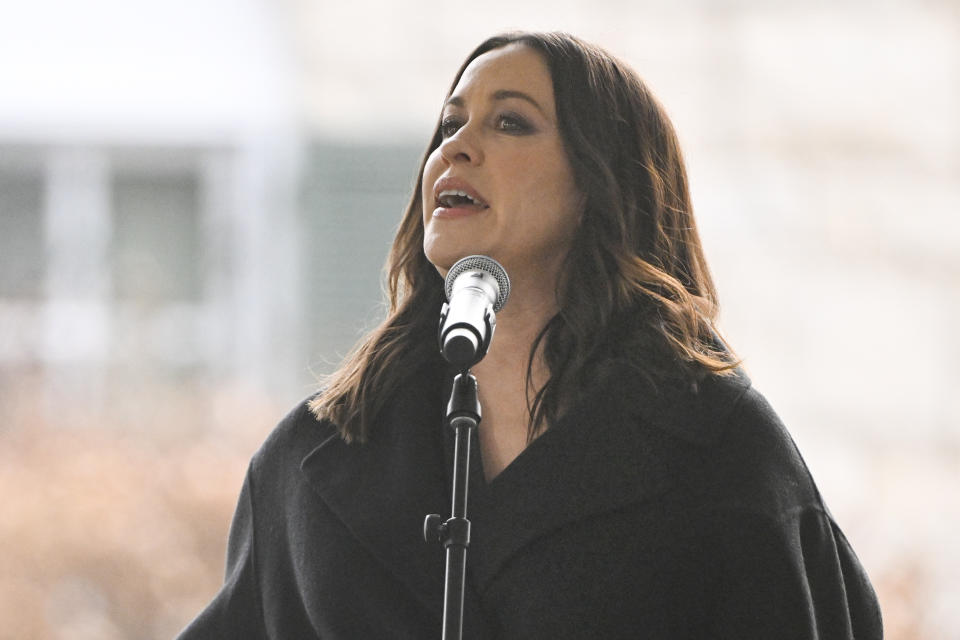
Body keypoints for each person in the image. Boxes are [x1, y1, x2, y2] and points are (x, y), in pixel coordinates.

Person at [178, 31, 883, 639]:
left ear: (600, 185)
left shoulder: (719, 451)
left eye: (510, 123)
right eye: (448, 125)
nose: (457, 148)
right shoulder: (313, 460)